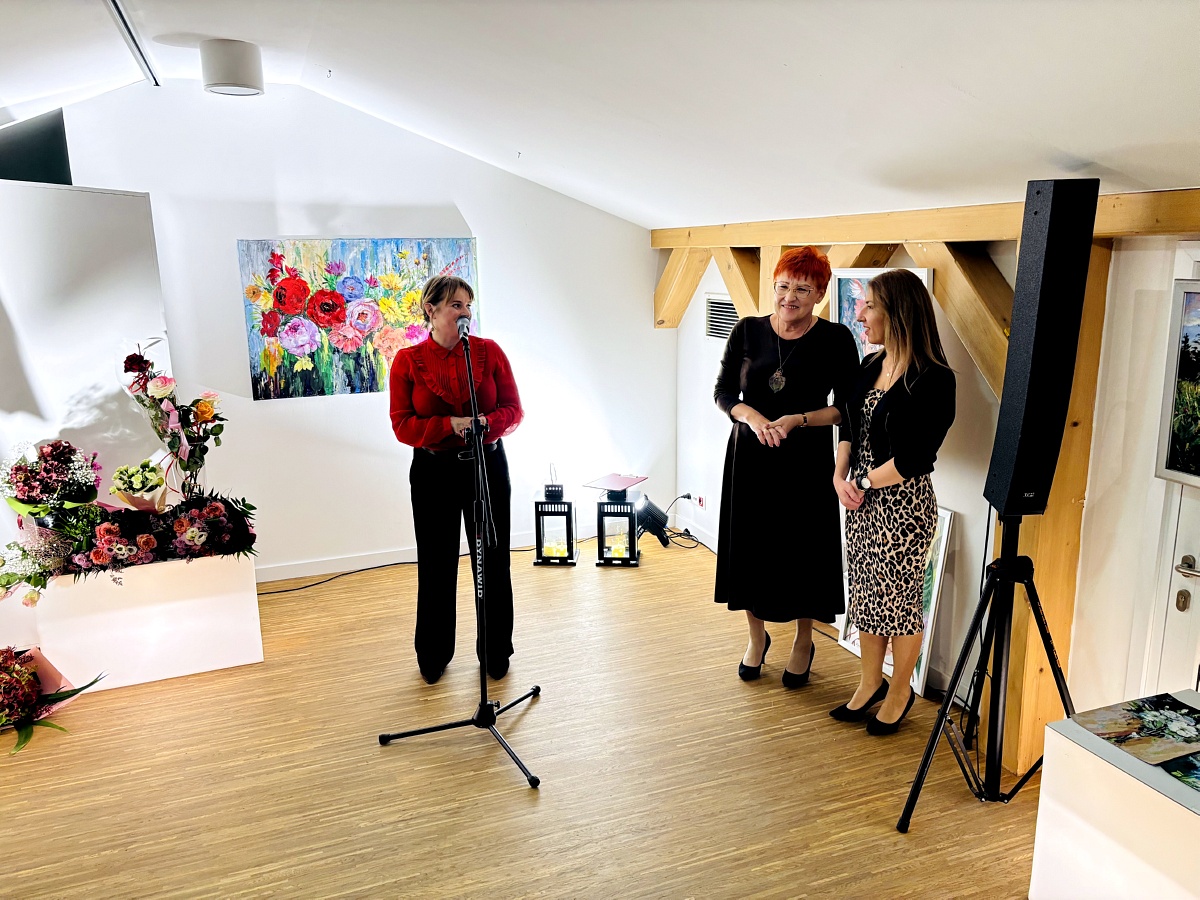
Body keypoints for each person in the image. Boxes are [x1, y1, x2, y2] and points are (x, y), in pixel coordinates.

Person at [713, 246, 860, 686]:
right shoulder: (746, 330)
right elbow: (724, 393)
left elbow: (847, 409)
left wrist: (800, 419)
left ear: (820, 294)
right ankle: (756, 637)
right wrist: (752, 416)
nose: (789, 297)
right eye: (783, 286)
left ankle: (803, 640)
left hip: (805, 462)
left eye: (802, 289)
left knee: (803, 553)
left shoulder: (836, 339)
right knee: (750, 550)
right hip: (750, 458)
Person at [831, 268, 956, 734]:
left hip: (903, 507)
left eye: (870, 306)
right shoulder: (870, 366)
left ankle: (900, 690)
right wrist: (840, 475)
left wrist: (862, 481)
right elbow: (849, 424)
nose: (860, 314)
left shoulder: (935, 379)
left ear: (898, 314)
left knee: (899, 604)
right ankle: (870, 683)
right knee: (866, 597)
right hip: (861, 502)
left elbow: (917, 457)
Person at [388, 275, 524, 685]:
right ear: (431, 310)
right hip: (434, 471)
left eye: (468, 305)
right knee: (436, 561)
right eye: (456, 305)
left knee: (493, 559)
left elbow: (513, 410)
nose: (465, 312)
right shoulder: (407, 361)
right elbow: (402, 425)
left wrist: (485, 422)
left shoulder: (488, 352)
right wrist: (449, 424)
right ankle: (433, 653)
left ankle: (495, 650)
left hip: (486, 465)